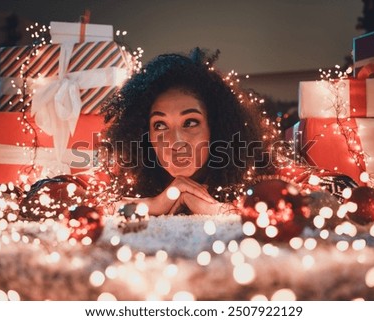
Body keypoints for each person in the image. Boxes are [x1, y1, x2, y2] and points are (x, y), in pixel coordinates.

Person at [102, 48, 275, 215]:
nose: (176, 141)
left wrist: (219, 209)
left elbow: (297, 200)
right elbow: (84, 198)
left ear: (215, 127)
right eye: (160, 125)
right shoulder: (128, 171)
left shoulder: (260, 167)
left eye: (190, 123)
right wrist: (153, 204)